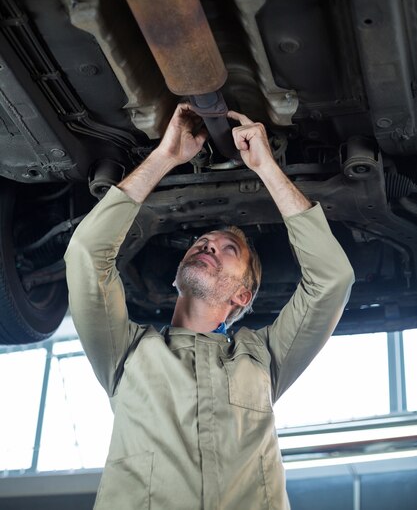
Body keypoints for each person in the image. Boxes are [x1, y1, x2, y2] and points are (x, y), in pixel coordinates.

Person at [64, 103, 354, 510]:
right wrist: (165, 156)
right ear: (176, 276)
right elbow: (86, 253)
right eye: (202, 244)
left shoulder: (266, 359)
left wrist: (267, 167)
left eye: (227, 248)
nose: (207, 245)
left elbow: (332, 280)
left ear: (242, 296)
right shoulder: (123, 352)